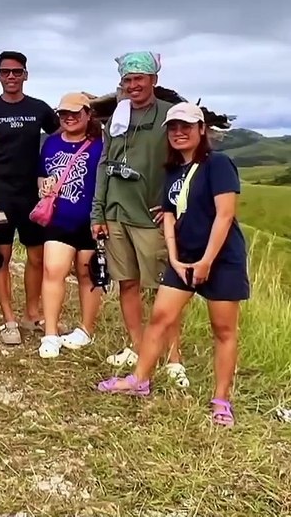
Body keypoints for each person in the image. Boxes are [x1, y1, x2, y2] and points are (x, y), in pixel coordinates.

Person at [97, 102, 248, 427]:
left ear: (201, 130)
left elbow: (225, 216)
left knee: (223, 330)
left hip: (222, 260)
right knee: (160, 318)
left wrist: (207, 261)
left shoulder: (218, 164)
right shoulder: (173, 170)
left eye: (187, 127)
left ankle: (222, 400)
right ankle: (139, 380)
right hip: (183, 259)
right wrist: (176, 258)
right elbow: (168, 214)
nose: (179, 133)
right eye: (174, 128)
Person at [90, 50, 188, 387]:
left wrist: (173, 206)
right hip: (117, 212)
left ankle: (174, 357)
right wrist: (98, 212)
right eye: (128, 80)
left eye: (139, 79)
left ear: (153, 81)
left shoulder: (168, 117)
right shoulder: (117, 118)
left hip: (151, 216)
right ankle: (137, 345)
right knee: (127, 283)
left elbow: (185, 163)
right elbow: (105, 164)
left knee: (166, 289)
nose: (133, 86)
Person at [0, 50, 60, 345]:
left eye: (17, 71)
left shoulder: (40, 109)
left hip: (32, 195)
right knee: (1, 257)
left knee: (37, 256)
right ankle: (8, 319)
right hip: (0, 194)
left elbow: (62, 138)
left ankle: (32, 312)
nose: (11, 76)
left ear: (26, 74)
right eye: (5, 72)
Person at [35, 93, 105, 358]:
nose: (69, 118)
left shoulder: (101, 144)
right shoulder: (51, 144)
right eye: (64, 113)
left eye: (76, 113)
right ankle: (50, 334)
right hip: (58, 218)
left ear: (88, 114)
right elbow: (42, 175)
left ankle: (86, 330)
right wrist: (43, 186)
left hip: (91, 221)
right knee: (53, 270)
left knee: (88, 274)